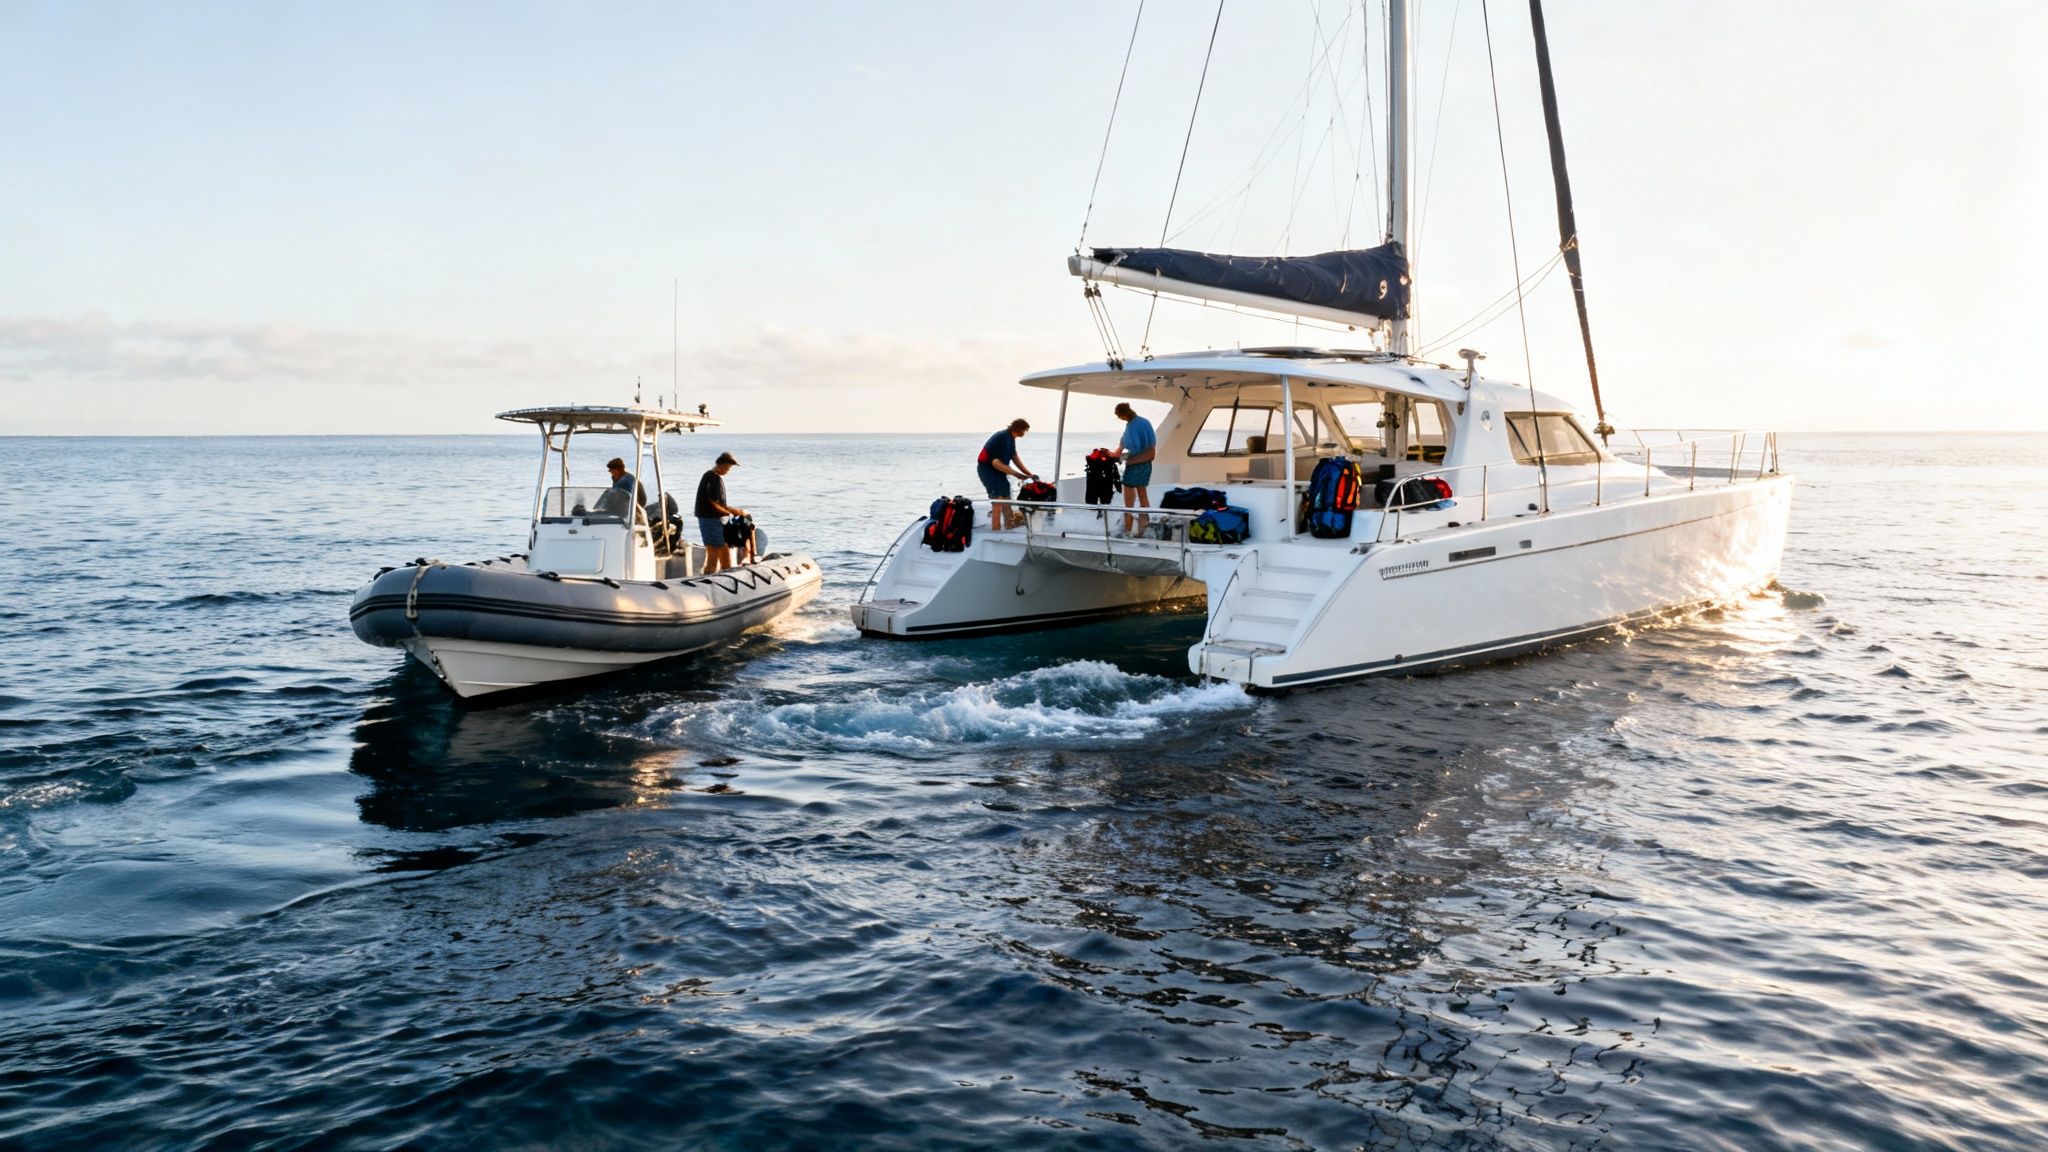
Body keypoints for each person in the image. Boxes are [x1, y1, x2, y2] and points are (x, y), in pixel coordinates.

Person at [977, 418, 1035, 530]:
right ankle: (996, 530)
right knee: (998, 500)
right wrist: (1019, 475)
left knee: (1006, 497)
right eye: (1024, 431)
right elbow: (996, 463)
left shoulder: (1011, 439)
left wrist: (1028, 474)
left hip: (999, 471)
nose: (1024, 433)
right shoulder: (1002, 437)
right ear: (1018, 429)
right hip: (987, 469)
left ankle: (1009, 525)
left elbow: (1015, 457)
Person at [694, 452, 746, 573]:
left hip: (716, 520)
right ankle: (707, 579)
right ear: (721, 464)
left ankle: (726, 575)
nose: (728, 471)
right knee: (713, 554)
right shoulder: (712, 478)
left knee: (724, 549)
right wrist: (731, 512)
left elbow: (718, 503)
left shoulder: (713, 477)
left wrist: (731, 512)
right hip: (710, 520)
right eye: (728, 468)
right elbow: (713, 503)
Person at [1113, 402, 1156, 536]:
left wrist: (1121, 456)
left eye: (1120, 416)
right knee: (1143, 497)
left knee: (1129, 500)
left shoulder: (1133, 425)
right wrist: (1119, 452)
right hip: (1145, 465)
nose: (1120, 419)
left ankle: (1127, 529)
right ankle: (1143, 530)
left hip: (1136, 464)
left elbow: (1134, 447)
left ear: (1123, 414)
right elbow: (1149, 445)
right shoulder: (1143, 422)